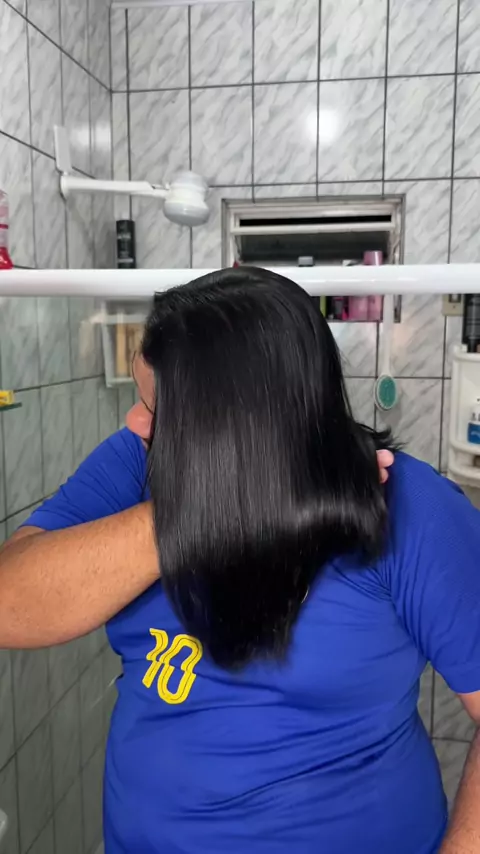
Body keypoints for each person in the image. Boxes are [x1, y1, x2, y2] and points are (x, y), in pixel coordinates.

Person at [0, 267, 479, 854]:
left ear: (233, 428)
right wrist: (210, 509)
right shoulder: (136, 462)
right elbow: (10, 603)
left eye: (157, 409)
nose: (134, 422)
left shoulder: (411, 507)